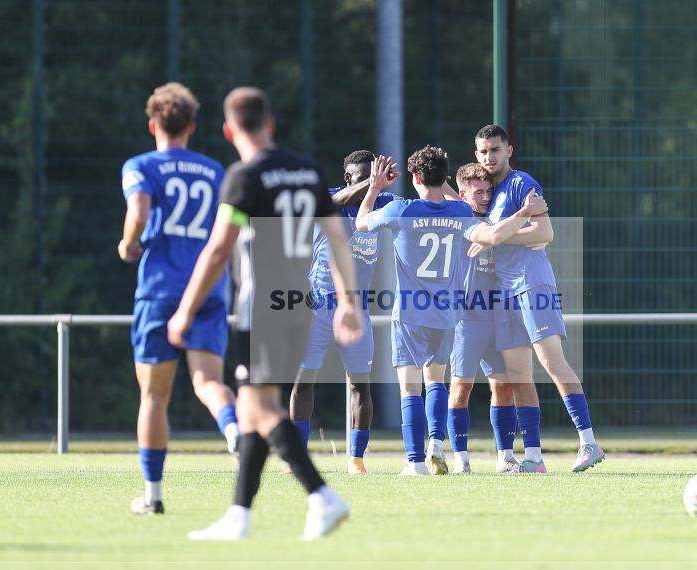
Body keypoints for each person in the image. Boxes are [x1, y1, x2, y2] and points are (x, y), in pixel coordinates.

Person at [167, 87, 363, 540]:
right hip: (299, 302)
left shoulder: (243, 176)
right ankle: (239, 514)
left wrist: (186, 310)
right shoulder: (307, 170)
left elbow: (218, 249)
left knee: (259, 406)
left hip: (260, 308)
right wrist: (348, 300)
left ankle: (322, 496)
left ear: (228, 130)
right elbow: (336, 238)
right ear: (270, 124)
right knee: (256, 409)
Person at [355, 146, 548, 476]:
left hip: (411, 313)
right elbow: (491, 234)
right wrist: (523, 213)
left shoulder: (401, 210)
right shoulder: (461, 213)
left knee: (410, 388)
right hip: (447, 315)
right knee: (437, 383)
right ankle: (437, 445)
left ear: (415, 178)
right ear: (445, 177)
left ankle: (415, 462)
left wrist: (374, 187)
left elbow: (360, 223)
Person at [118, 82, 239, 515]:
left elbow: (139, 212)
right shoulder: (215, 171)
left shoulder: (141, 165)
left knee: (154, 397)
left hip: (160, 289)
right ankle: (233, 431)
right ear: (192, 125)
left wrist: (128, 243)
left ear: (153, 124)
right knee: (208, 382)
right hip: (207, 287)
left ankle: (152, 496)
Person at [474, 124, 605, 473]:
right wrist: (508, 230)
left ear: (509, 151)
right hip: (503, 292)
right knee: (518, 375)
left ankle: (589, 442)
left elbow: (545, 232)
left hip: (532, 283)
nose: (490, 157)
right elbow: (505, 233)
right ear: (477, 154)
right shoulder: (484, 192)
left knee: (552, 362)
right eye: (484, 151)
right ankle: (534, 459)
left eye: (495, 150)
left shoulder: (521, 184)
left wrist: (497, 236)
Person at [289, 150, 400, 475]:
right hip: (318, 305)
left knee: (360, 385)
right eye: (360, 176)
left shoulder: (382, 203)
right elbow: (335, 201)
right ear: (347, 177)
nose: (368, 183)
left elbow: (416, 210)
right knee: (303, 379)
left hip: (356, 307)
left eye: (372, 175)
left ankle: (356, 459)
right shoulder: (328, 196)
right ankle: (296, 457)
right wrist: (372, 183)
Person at [447, 162, 546, 474]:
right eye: (478, 192)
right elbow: (453, 200)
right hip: (467, 316)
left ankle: (505, 456)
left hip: (499, 312)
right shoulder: (460, 217)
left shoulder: (496, 217)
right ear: (463, 195)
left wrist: (529, 221)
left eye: (489, 190)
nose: (486, 196)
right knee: (460, 387)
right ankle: (460, 458)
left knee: (502, 386)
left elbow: (536, 236)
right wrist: (524, 214)